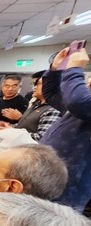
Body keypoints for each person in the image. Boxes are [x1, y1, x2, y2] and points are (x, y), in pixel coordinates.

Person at [41, 47, 91, 213]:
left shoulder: (82, 105)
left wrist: (74, 69)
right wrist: (56, 69)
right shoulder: (78, 107)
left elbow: (78, 100)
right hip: (45, 175)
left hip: (66, 191)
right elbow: (51, 93)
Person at [0, 73, 62, 141]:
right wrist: (9, 126)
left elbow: (42, 138)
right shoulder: (36, 104)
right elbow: (24, 125)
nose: (34, 87)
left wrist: (12, 131)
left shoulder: (53, 109)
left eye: (38, 84)